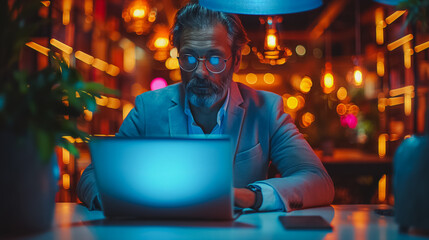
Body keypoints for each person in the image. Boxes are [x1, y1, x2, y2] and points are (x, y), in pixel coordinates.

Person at [77, 2, 334, 212]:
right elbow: (91, 177)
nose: (200, 72)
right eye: (189, 58)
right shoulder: (148, 108)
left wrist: (249, 196)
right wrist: (121, 200)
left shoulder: (266, 109)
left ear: (236, 61)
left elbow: (317, 180)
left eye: (214, 58)